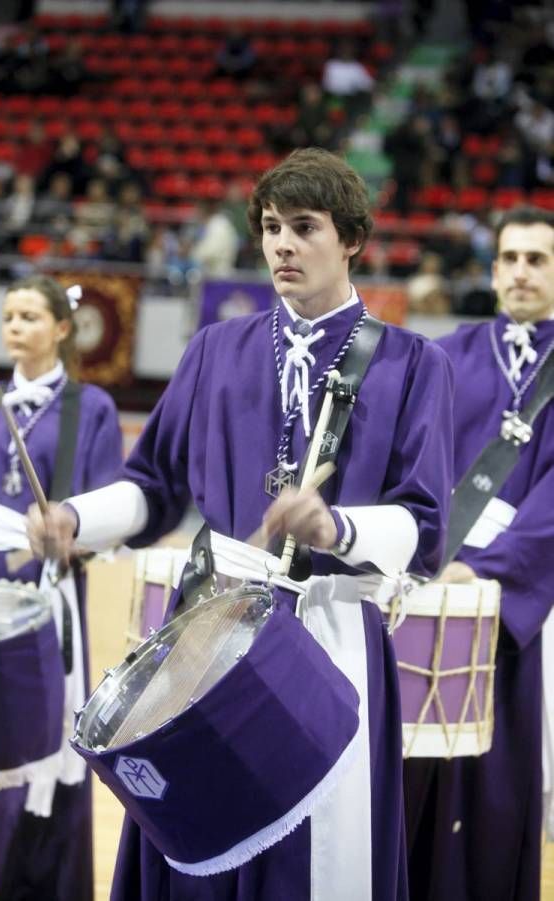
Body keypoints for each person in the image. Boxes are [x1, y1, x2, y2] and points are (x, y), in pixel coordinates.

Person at [27, 148, 454, 901]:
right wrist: (74, 517)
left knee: (321, 858)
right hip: (208, 629)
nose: (282, 244)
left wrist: (335, 529)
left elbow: (425, 525)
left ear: (351, 238)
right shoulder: (214, 349)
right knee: (202, 844)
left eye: (304, 227)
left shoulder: (413, 363)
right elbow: (152, 487)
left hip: (331, 636)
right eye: (270, 228)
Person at [0, 274, 124, 900]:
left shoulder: (93, 407)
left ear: (60, 328)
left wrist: (61, 536)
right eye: (8, 316)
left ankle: (19, 882)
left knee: (29, 742)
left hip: (43, 594)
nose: (15, 327)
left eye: (29, 316)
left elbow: (108, 506)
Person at [404, 206, 554, 901]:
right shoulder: (447, 356)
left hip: (514, 606)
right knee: (413, 780)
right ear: (493, 271)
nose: (522, 271)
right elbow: (411, 466)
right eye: (512, 258)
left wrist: (491, 567)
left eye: (539, 259)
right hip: (431, 595)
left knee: (496, 787)